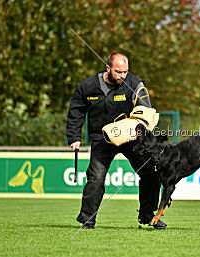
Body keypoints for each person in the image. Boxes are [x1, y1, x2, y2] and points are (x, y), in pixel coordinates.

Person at [66, 52, 166, 229]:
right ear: (108, 68)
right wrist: (74, 137)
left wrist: (135, 129)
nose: (122, 76)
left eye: (125, 72)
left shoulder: (135, 84)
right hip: (102, 139)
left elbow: (145, 110)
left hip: (131, 139)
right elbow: (76, 111)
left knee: (151, 172)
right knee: (95, 178)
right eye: (118, 72)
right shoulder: (87, 86)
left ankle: (147, 215)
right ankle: (87, 219)